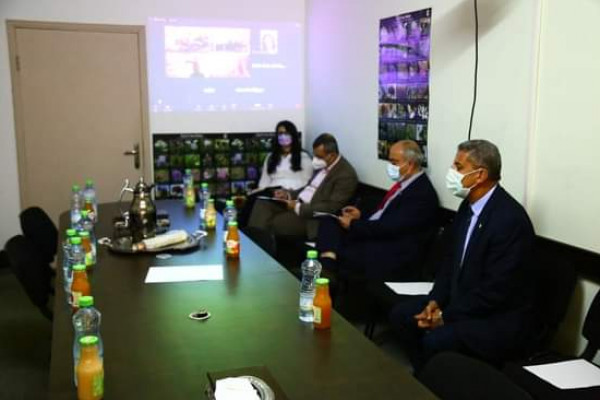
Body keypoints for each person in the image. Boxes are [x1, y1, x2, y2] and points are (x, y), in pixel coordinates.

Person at [390, 139, 536, 371]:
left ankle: (435, 381)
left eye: (458, 167)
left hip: (495, 316)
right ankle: (425, 376)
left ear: (480, 175)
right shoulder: (467, 206)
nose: (452, 172)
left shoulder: (510, 220)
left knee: (436, 339)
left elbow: (496, 290)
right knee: (402, 316)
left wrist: (446, 316)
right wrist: (435, 300)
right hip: (461, 300)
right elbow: (450, 260)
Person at [317, 140, 438, 281]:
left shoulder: (421, 194)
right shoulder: (404, 184)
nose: (390, 166)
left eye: (394, 162)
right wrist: (361, 215)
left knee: (342, 249)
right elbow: (383, 213)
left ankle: (327, 268)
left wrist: (353, 224)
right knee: (329, 220)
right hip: (376, 231)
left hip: (392, 249)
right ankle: (328, 265)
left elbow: (391, 227)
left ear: (410, 164)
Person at [248, 133, 358, 240]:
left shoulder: (346, 175)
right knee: (261, 203)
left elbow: (331, 207)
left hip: (310, 217)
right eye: (315, 155)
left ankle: (254, 246)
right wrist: (288, 194)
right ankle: (251, 244)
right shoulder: (324, 165)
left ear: (332, 155)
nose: (315, 160)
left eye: (319, 157)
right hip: (296, 203)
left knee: (271, 223)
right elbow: (307, 189)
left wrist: (298, 207)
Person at [238, 121, 312, 227]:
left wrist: (289, 193)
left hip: (289, 194)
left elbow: (307, 184)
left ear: (293, 135)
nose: (283, 136)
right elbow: (264, 183)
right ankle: (242, 229)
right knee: (252, 198)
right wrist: (254, 192)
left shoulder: (304, 157)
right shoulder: (271, 157)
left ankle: (245, 229)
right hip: (271, 191)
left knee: (258, 201)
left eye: (286, 133)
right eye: (280, 133)